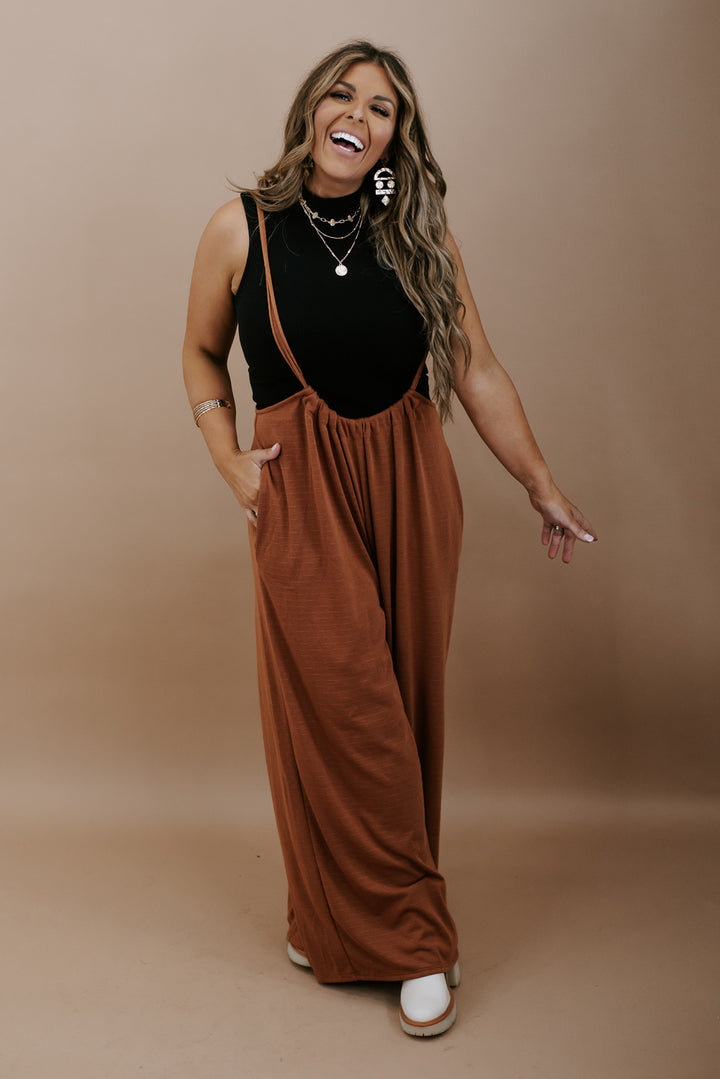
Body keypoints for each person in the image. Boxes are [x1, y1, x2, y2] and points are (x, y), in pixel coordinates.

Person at [182, 39, 597, 1038]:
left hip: (413, 484)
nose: (359, 115)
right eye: (344, 94)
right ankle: (416, 940)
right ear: (311, 110)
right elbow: (199, 351)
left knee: (402, 710)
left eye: (383, 107)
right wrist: (227, 456)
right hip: (303, 493)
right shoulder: (240, 227)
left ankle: (328, 922)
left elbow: (477, 370)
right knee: (346, 709)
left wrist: (542, 486)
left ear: (394, 139)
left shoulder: (417, 231)